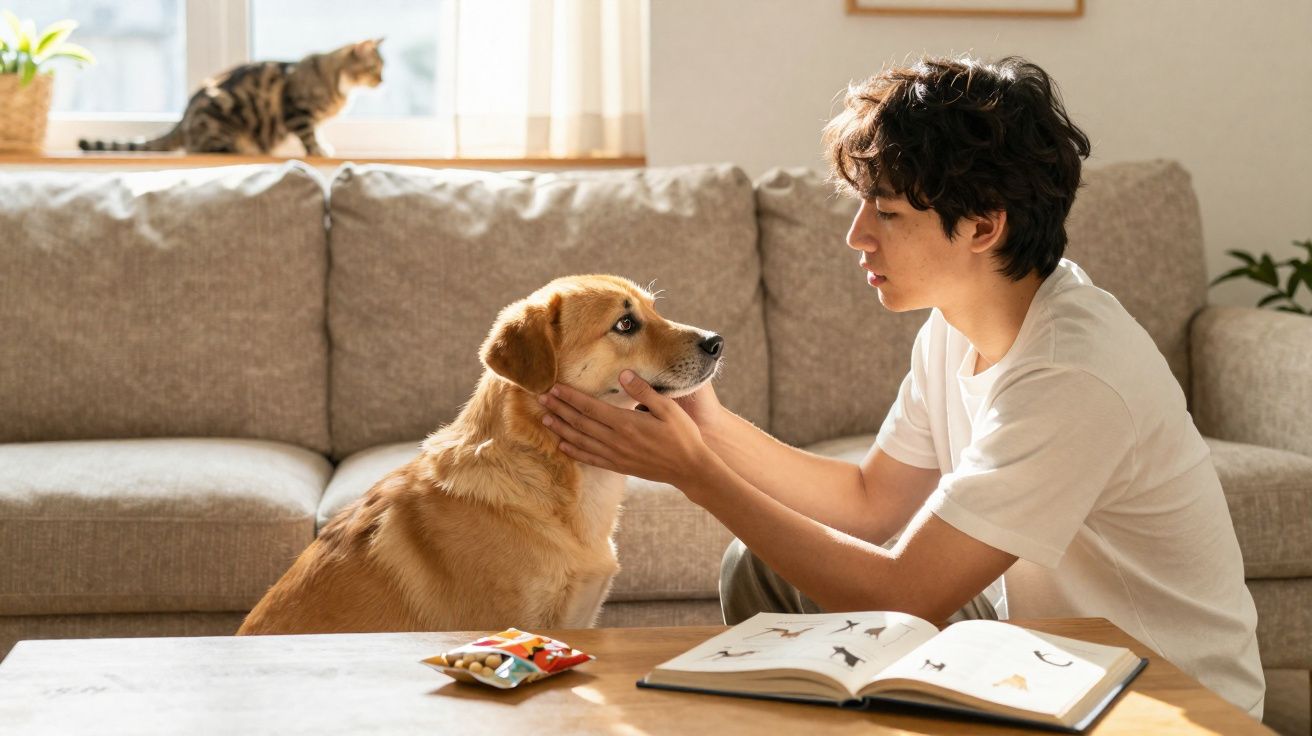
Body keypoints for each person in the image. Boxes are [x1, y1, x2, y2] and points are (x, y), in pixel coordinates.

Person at [536, 54, 1264, 717]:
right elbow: (873, 503)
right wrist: (710, 430)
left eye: (886, 212)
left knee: (824, 580)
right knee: (763, 568)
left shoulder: (1073, 372)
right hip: (1048, 654)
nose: (858, 235)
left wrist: (695, 474)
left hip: (1155, 695)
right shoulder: (957, 327)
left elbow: (906, 591)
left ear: (983, 227)